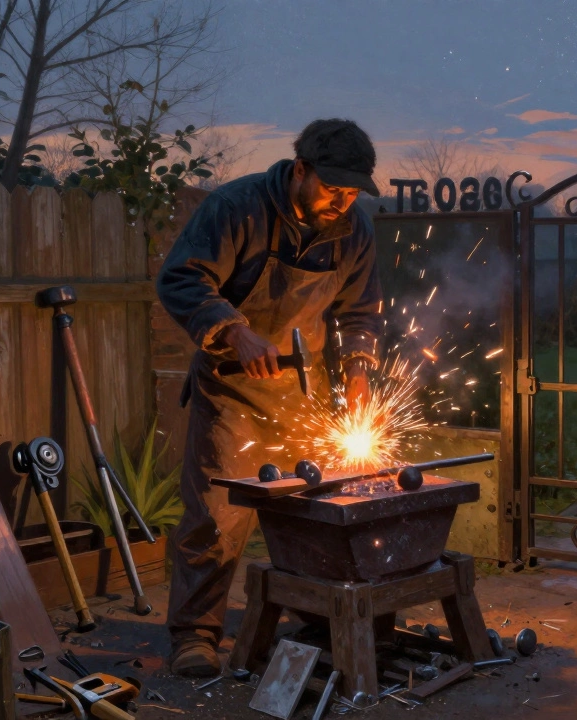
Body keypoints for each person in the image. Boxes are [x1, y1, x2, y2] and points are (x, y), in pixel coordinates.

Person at [155, 118, 383, 677]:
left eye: (353, 192)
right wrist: (233, 328)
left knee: (315, 515)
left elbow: (359, 313)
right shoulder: (237, 207)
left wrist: (357, 371)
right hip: (232, 389)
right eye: (333, 189)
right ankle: (196, 635)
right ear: (300, 170)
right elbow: (181, 279)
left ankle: (315, 618)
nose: (342, 201)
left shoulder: (353, 231)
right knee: (215, 518)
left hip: (304, 392)